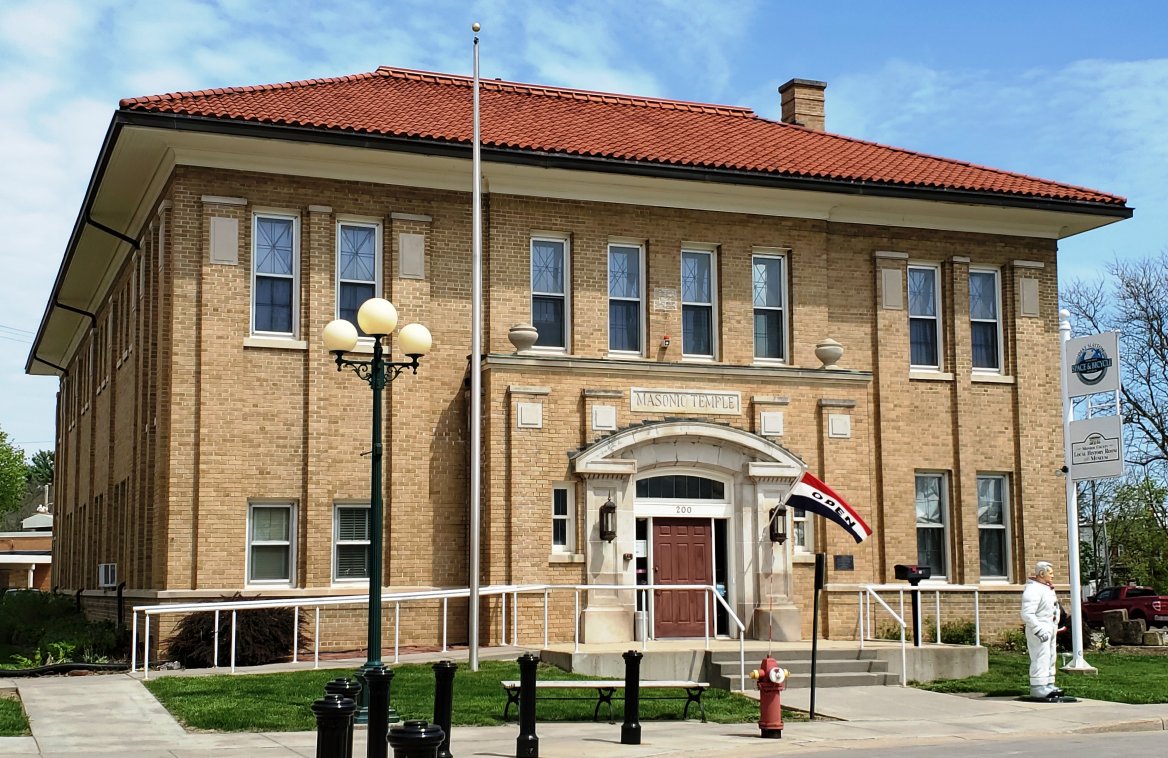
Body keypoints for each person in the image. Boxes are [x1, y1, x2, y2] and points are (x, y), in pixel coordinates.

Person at [1020, 561, 1063, 699]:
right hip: (1039, 628)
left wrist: (1056, 623)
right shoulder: (1033, 590)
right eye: (1050, 573)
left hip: (1050, 627)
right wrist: (1038, 630)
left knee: (1050, 656)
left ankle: (1048, 683)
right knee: (1040, 657)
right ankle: (1038, 686)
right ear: (1042, 573)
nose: (1053, 575)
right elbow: (1027, 613)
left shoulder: (1047, 588)